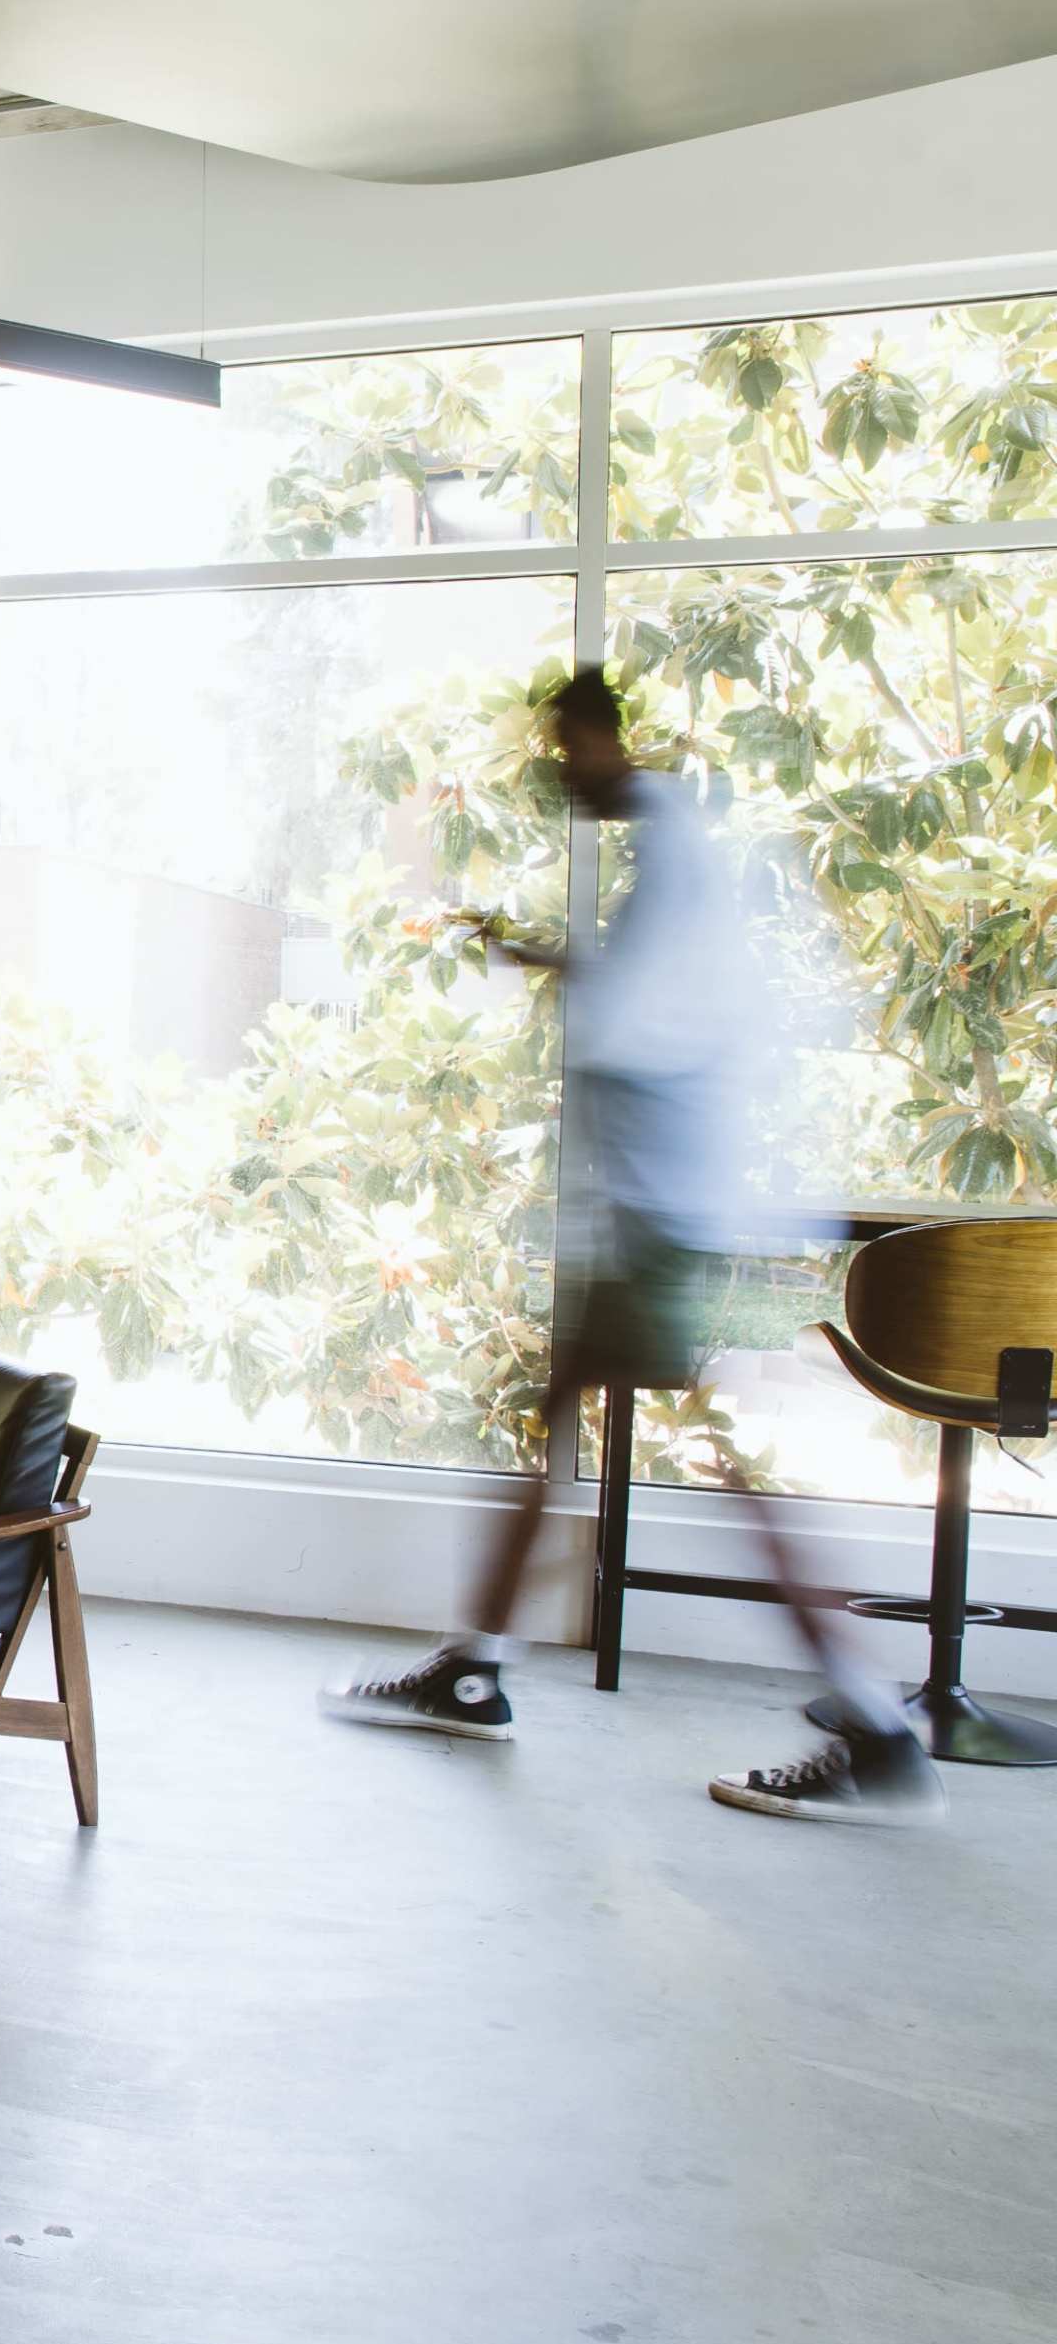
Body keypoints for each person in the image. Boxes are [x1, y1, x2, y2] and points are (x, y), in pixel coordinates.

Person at [320, 668, 938, 1825]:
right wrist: (550, 961)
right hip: (662, 1212)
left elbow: (648, 1028)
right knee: (569, 1423)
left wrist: (550, 973)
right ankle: (473, 1667)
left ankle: (879, 1724)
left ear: (603, 737)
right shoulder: (675, 852)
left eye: (568, 748)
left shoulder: (672, 841)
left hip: (666, 1217)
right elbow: (656, 1004)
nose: (561, 772)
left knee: (717, 1465)